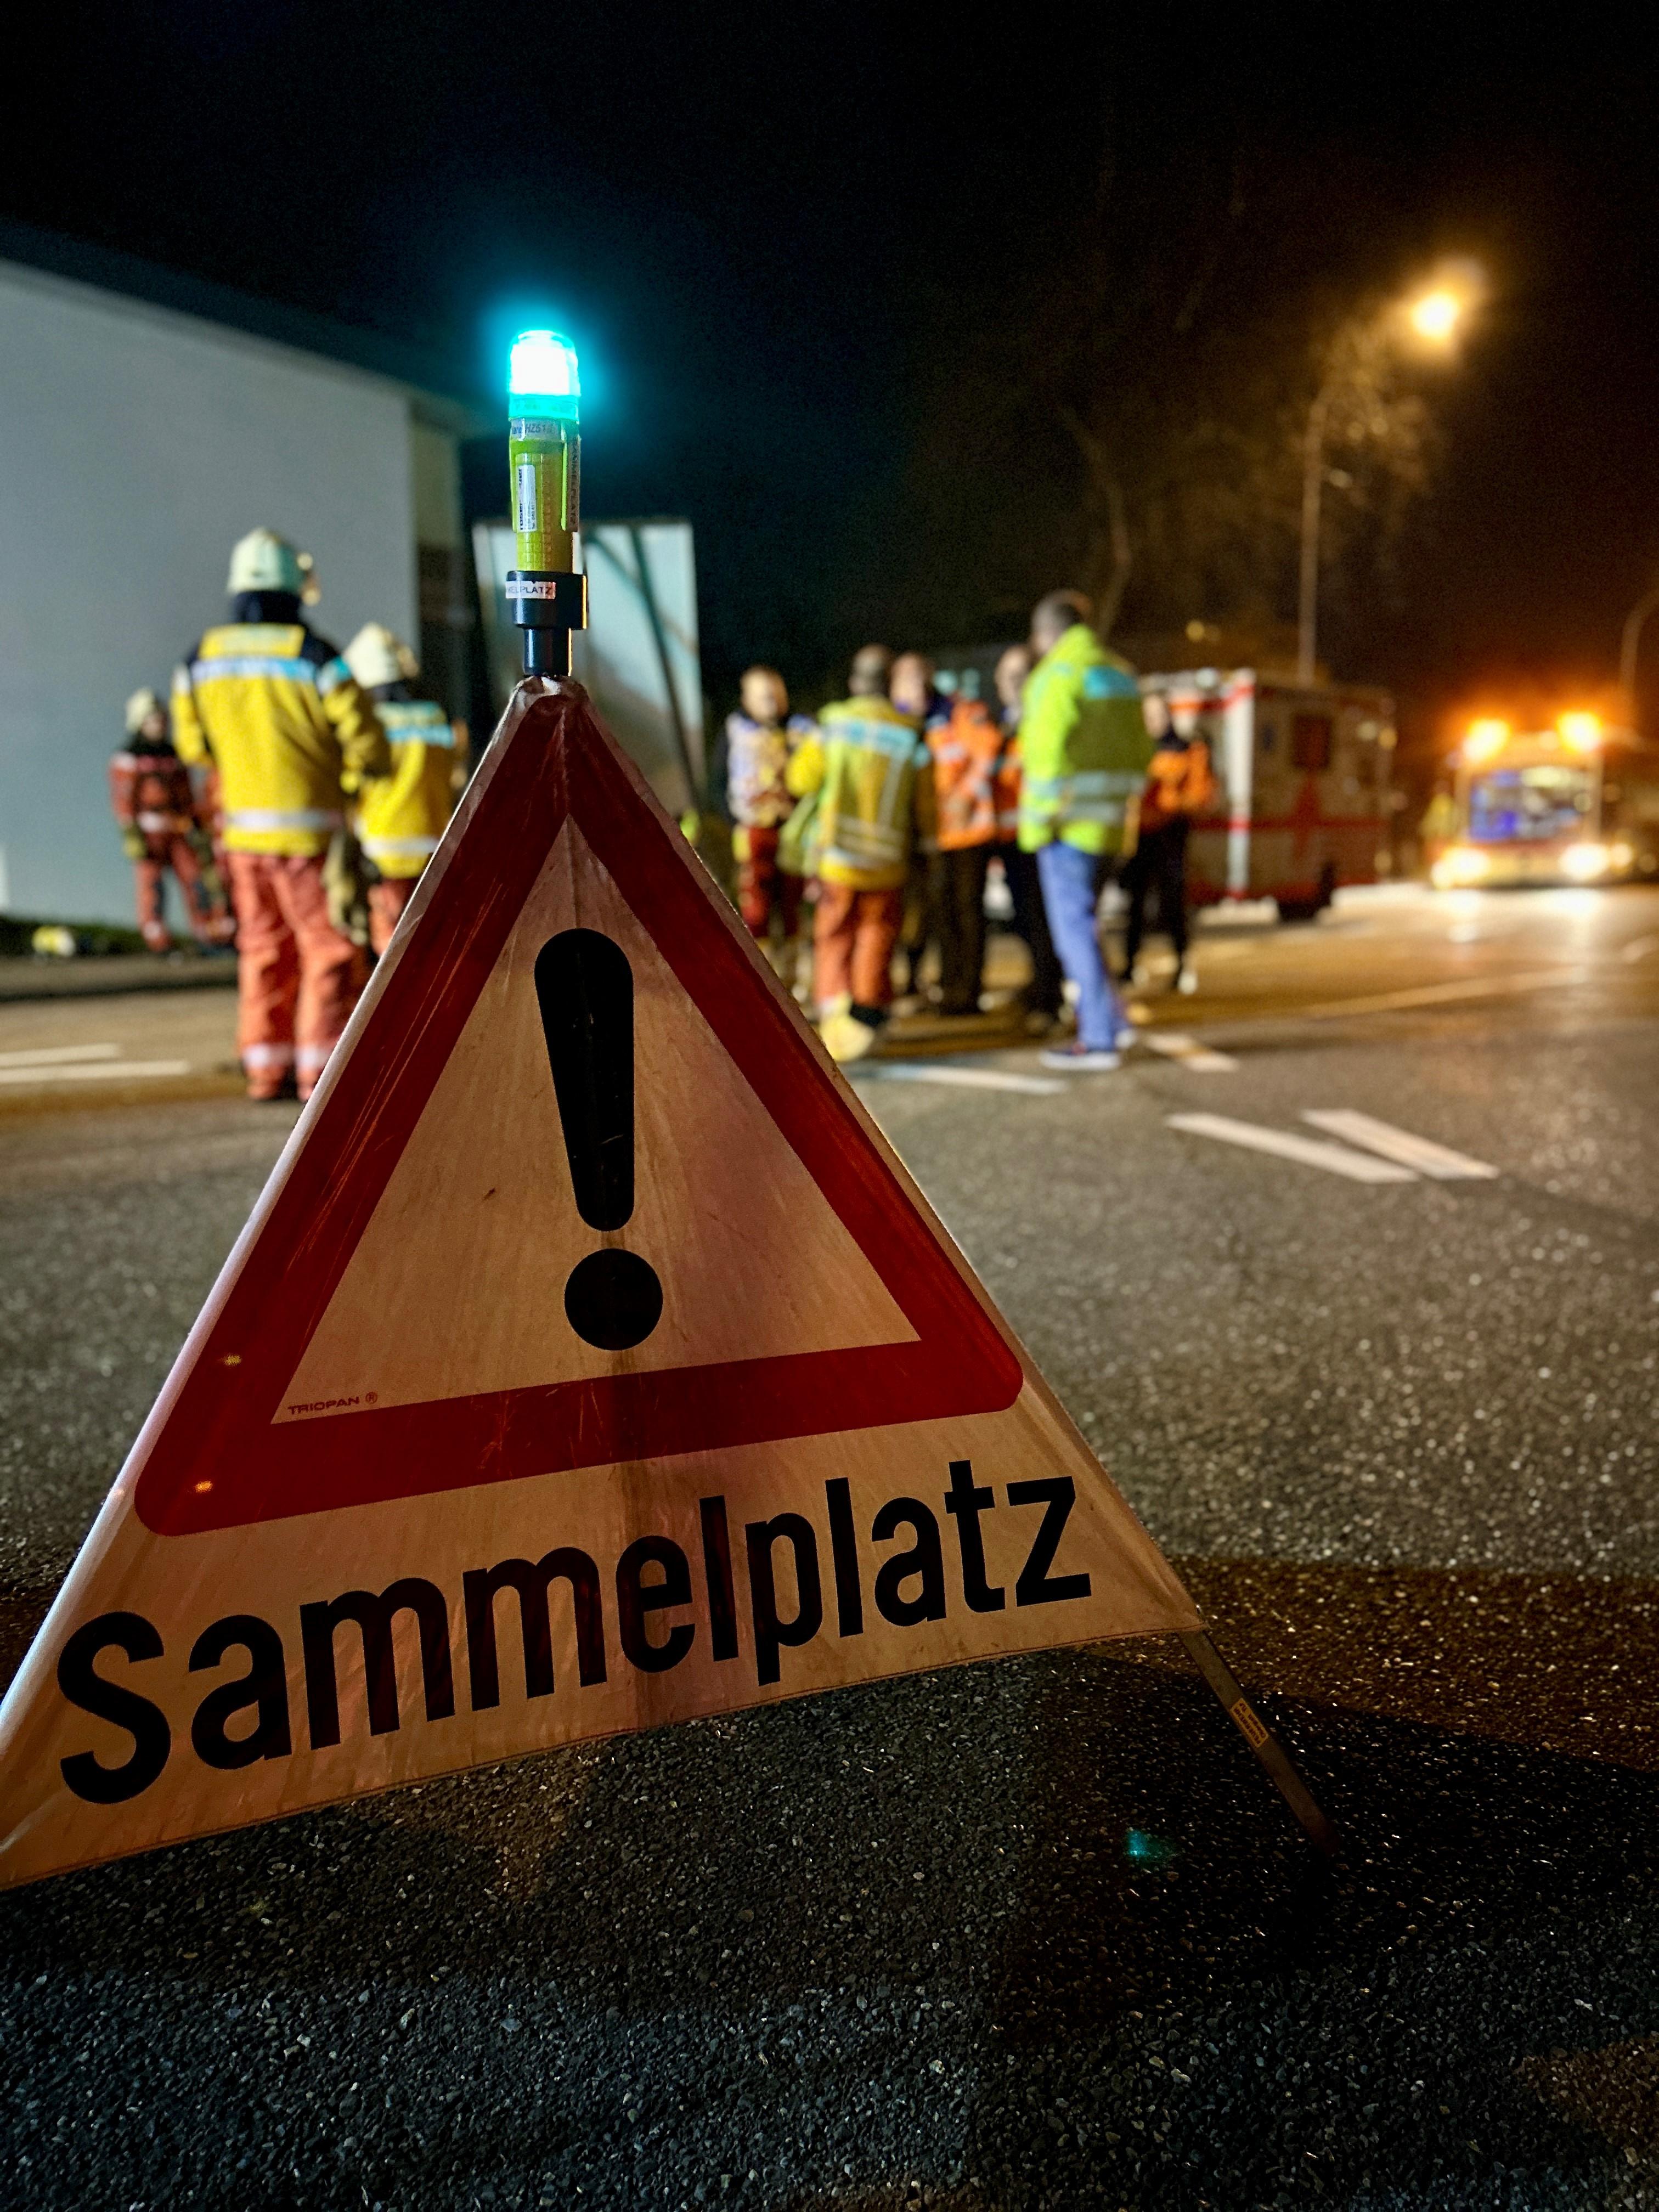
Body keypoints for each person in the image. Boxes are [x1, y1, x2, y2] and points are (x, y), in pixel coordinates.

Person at [171, 528, 390, 1101]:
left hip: (242, 836)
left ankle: (266, 1067)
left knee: (263, 948)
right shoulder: (314, 656)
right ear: (295, 589)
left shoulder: (200, 658)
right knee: (327, 948)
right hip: (310, 836)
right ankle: (319, 1070)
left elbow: (193, 746)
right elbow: (367, 743)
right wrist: (354, 777)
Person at [1018, 590, 1153, 1071]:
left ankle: (1097, 1040)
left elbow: (1044, 759)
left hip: (1068, 829)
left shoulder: (1055, 676)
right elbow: (1142, 752)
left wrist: (1036, 828)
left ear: (1044, 634)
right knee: (1087, 930)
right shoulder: (1120, 673)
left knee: (1073, 935)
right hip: (1113, 826)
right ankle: (1113, 1021)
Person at [786, 642, 934, 1062]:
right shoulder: (910, 733)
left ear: (855, 683)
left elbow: (800, 781)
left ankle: (835, 1025)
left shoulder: (832, 726)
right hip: (887, 859)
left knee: (834, 936)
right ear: (890, 685)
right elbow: (925, 803)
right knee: (877, 936)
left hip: (837, 857)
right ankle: (868, 1018)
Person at [345, 623, 468, 956]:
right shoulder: (436, 717)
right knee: (429, 937)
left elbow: (351, 783)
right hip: (433, 845)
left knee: (391, 942)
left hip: (382, 851)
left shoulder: (371, 725)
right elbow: (456, 774)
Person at [109, 689, 233, 952]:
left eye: (161, 719)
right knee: (151, 884)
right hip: (148, 829)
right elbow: (124, 797)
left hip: (177, 827)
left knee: (195, 879)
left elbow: (185, 793)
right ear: (139, 723)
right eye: (152, 720)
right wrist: (130, 831)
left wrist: (195, 822)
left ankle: (208, 931)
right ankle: (156, 934)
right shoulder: (129, 758)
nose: (159, 725)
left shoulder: (174, 757)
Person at [921, 668, 1003, 1014]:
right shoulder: (918, 724)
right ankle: (948, 988)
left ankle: (968, 992)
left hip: (968, 834)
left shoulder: (963, 712)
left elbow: (988, 748)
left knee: (967, 914)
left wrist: (965, 796)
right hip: (934, 836)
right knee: (941, 916)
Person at [1121, 696, 1215, 994]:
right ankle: (1130, 965)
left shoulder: (1188, 750)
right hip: (1140, 835)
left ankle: (1183, 963)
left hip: (1171, 834)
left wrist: (1169, 799)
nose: (1153, 722)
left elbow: (1200, 794)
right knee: (1135, 903)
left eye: (1158, 715)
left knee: (1173, 901)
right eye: (1147, 716)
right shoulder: (1134, 749)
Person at [991, 644, 1064, 1026]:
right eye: (1006, 676)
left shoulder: (1039, 719)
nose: (1010, 684)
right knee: (1025, 920)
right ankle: (1041, 987)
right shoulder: (1007, 722)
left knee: (1042, 922)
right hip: (1012, 839)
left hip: (1038, 837)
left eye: (1019, 676)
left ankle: (1050, 1001)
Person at [724, 664, 814, 968]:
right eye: (764, 697)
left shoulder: (799, 730)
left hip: (792, 830)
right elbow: (719, 782)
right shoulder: (735, 730)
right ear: (747, 699)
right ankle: (760, 972)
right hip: (753, 831)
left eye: (777, 695)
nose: (773, 703)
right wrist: (733, 821)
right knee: (756, 906)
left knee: (793, 903)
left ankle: (791, 972)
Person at [888, 652, 949, 1001]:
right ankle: (896, 980)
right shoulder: (890, 721)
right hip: (893, 835)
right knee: (896, 912)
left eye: (921, 679)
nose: (916, 687)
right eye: (907, 679)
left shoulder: (942, 718)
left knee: (924, 912)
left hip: (929, 834)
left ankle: (915, 977)